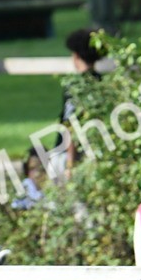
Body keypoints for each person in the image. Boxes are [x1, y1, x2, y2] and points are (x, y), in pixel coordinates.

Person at [50, 28, 103, 178]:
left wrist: (70, 163)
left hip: (68, 154)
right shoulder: (102, 83)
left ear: (76, 56)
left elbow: (71, 125)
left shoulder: (75, 86)